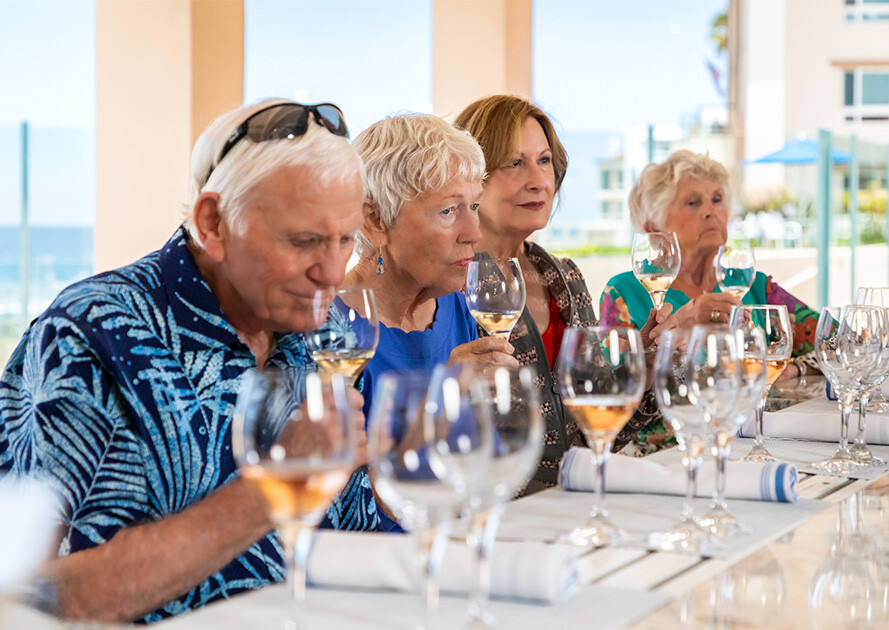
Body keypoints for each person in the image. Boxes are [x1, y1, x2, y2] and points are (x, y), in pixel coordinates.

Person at [0, 98, 375, 623]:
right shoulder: (91, 337)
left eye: (346, 239)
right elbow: (31, 600)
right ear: (214, 224)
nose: (333, 273)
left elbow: (353, 534)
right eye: (305, 241)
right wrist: (275, 483)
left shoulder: (326, 331)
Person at [454, 95, 661, 487]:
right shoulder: (450, 287)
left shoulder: (566, 278)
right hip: (498, 523)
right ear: (471, 177)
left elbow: (598, 435)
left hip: (576, 510)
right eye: (515, 163)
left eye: (544, 160)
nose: (539, 180)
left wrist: (643, 373)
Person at [599, 150, 819, 450]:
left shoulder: (754, 285)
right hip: (665, 459)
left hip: (758, 447)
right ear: (652, 226)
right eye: (692, 202)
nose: (709, 211)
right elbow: (609, 392)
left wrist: (792, 369)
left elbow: (842, 343)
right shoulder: (625, 292)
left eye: (717, 200)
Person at [344, 113, 517, 420]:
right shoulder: (325, 332)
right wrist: (442, 399)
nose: (474, 233)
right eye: (448, 210)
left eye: (474, 206)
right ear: (375, 220)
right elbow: (329, 467)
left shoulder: (457, 304)